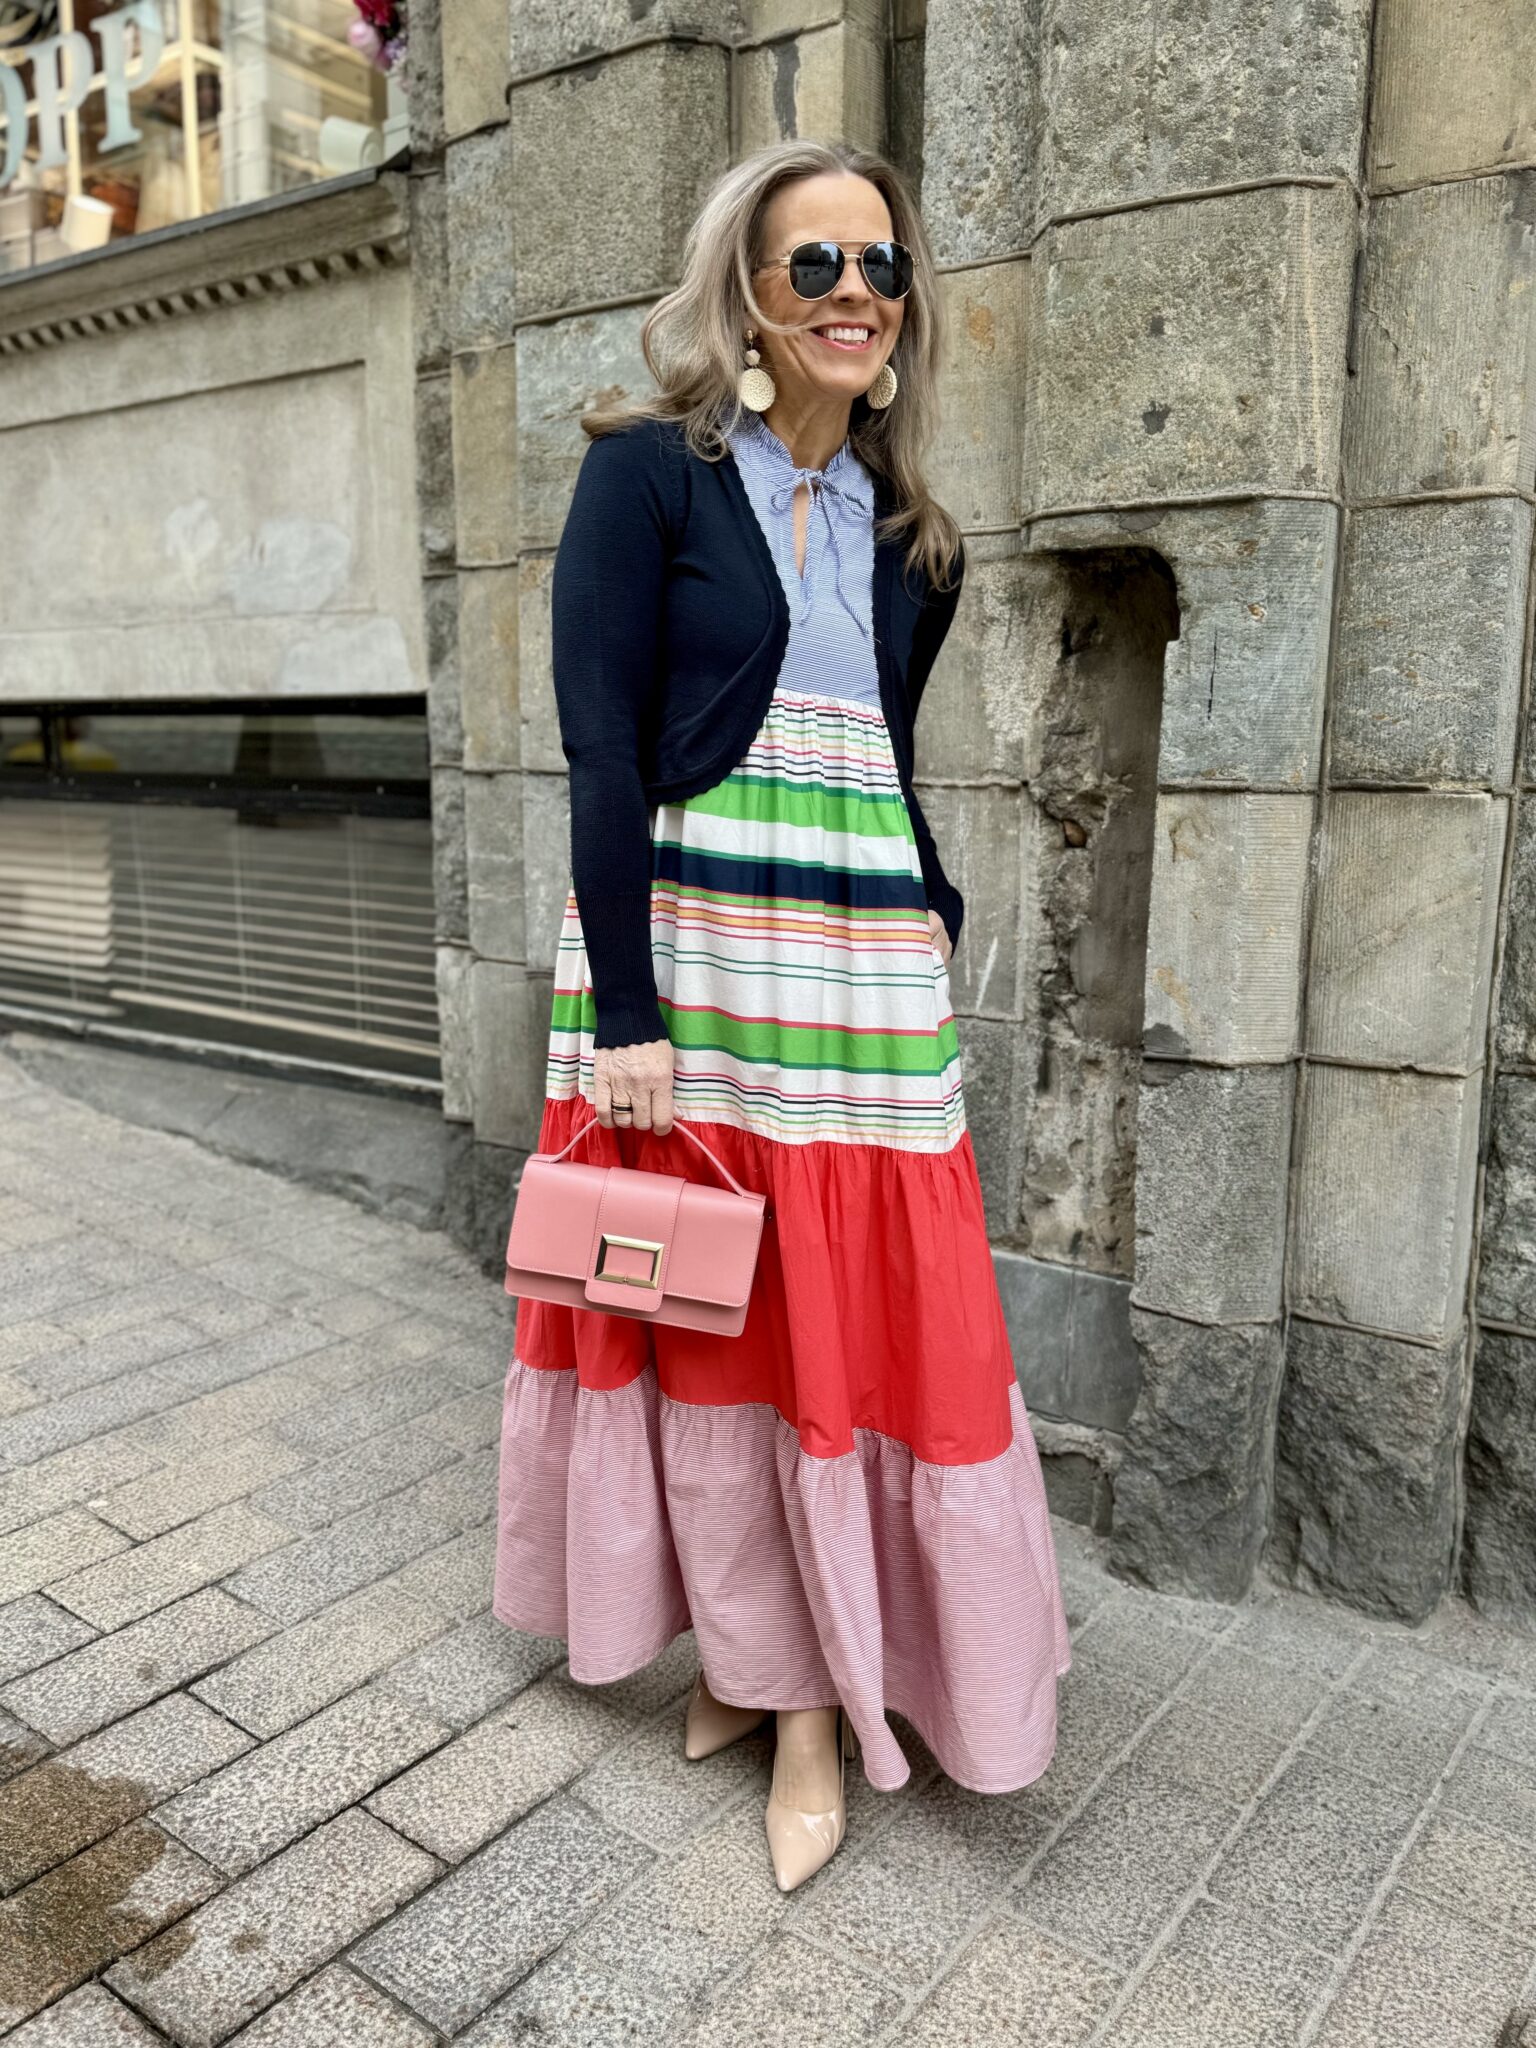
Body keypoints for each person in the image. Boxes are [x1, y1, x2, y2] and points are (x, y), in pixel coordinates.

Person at [492, 136, 1070, 1893]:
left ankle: (796, 1667)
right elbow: (603, 754)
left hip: (861, 971)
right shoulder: (646, 478)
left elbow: (878, 757)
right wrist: (627, 1013)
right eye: (813, 263)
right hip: (695, 964)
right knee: (718, 1316)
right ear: (746, 292)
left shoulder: (919, 541)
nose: (851, 294)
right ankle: (784, 1690)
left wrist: (932, 916)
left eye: (879, 266)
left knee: (870, 1316)